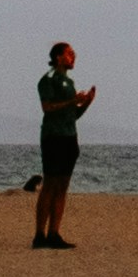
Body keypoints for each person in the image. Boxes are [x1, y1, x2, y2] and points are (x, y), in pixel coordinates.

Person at [33, 41, 96, 248]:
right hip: (53, 137)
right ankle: (39, 235)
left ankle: (54, 233)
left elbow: (72, 115)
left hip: (69, 137)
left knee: (62, 186)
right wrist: (71, 101)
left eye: (73, 53)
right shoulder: (48, 79)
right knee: (50, 184)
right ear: (58, 57)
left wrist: (86, 103)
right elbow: (47, 107)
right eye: (69, 53)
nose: (73, 57)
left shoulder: (69, 82)